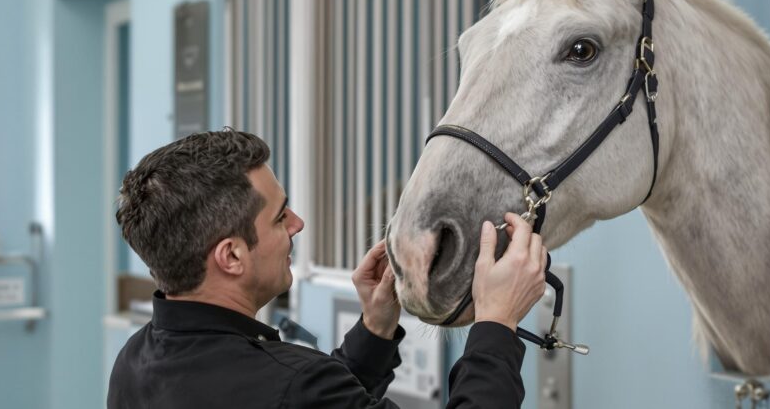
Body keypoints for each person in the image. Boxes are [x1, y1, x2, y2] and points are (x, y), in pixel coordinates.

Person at [108, 129, 547, 408]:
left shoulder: (134, 364)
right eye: (281, 217)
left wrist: (375, 330)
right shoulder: (294, 385)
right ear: (232, 256)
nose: (297, 224)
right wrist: (496, 322)